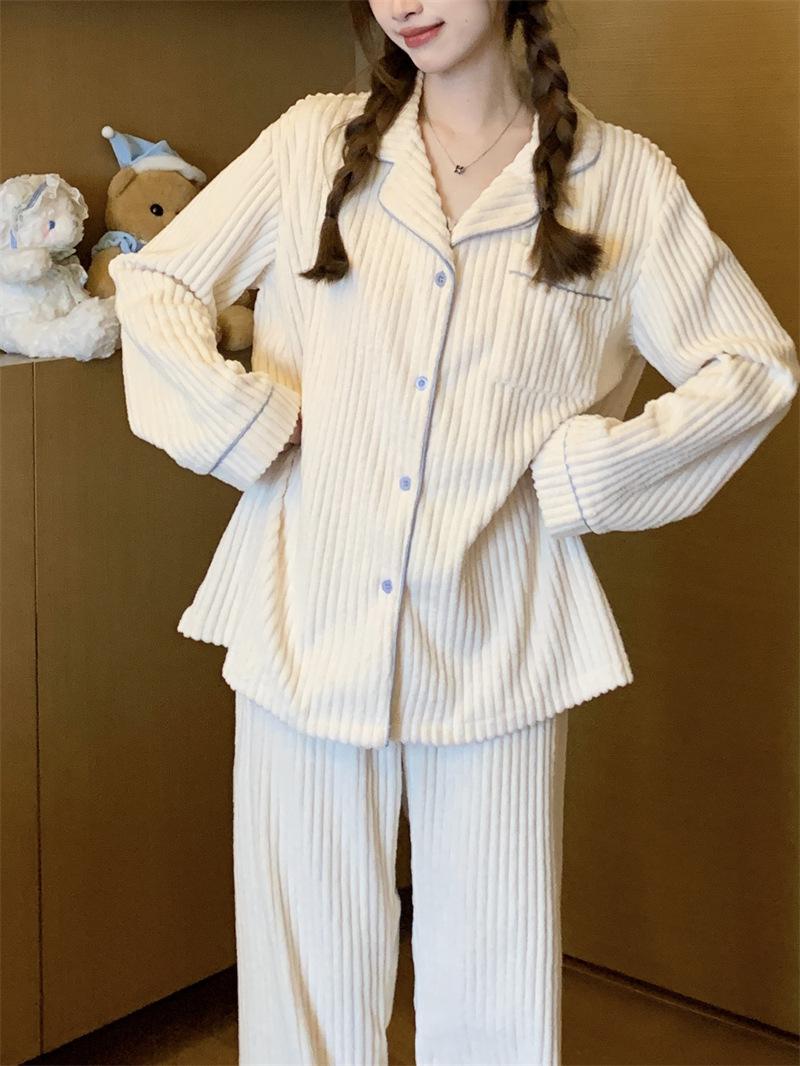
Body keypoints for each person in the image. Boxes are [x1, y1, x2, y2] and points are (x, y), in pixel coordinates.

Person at [108, 1, 799, 1063]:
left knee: (494, 981)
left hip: (501, 629)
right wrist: (247, 421)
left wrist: (583, 471)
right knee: (301, 984)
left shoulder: (624, 180)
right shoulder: (309, 144)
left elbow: (751, 367)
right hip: (303, 603)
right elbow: (155, 282)